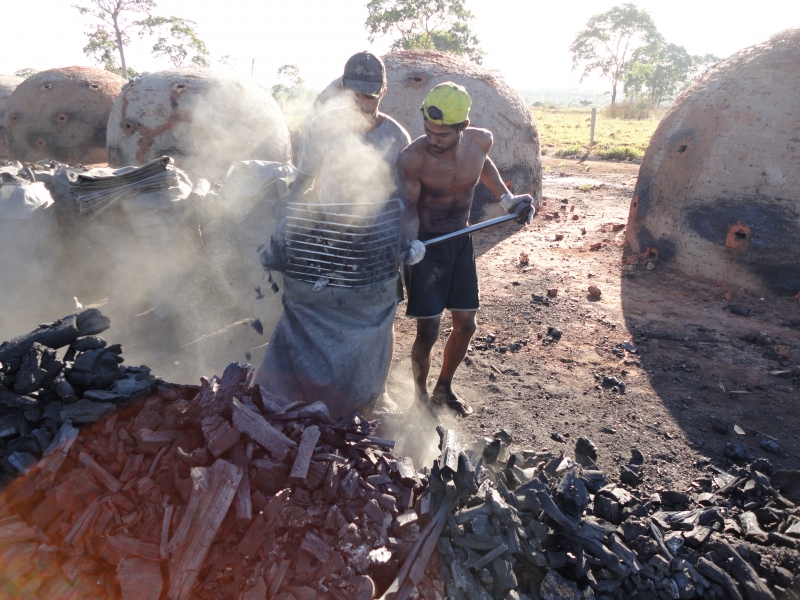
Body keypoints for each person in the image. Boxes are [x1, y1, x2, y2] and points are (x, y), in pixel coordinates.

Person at [253, 51, 413, 419]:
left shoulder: (395, 136)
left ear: (384, 90)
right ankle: (296, 386)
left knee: (379, 318)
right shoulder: (322, 127)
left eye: (370, 95)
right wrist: (288, 222)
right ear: (342, 88)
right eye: (355, 93)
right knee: (308, 305)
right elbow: (304, 182)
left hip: (375, 238)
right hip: (324, 232)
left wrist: (406, 239)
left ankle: (376, 390)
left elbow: (404, 199)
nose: (361, 102)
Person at [397, 82, 535, 417]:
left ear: (464, 126)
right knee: (428, 330)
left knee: (466, 325)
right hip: (426, 247)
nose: (433, 139)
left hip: (461, 241)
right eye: (428, 130)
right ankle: (419, 398)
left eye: (442, 134)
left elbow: (481, 164)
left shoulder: (481, 141)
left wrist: (507, 200)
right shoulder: (413, 158)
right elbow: (408, 207)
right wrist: (409, 242)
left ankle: (443, 388)